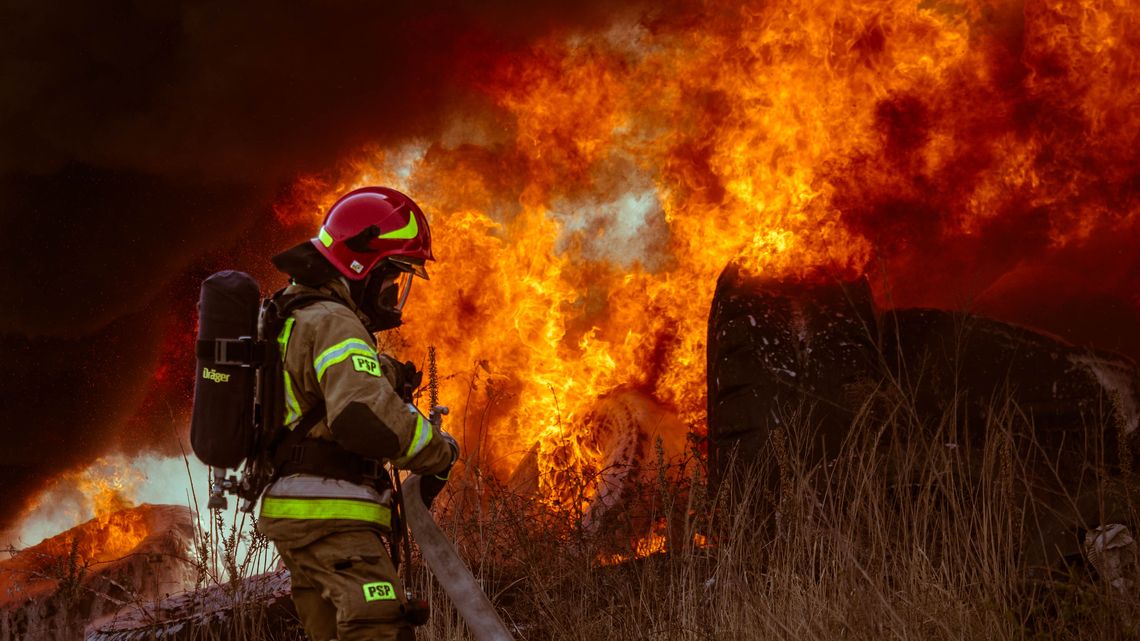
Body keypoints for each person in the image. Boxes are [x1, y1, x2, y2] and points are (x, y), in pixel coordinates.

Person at [256, 186, 458, 641]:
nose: (393, 292)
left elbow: (316, 389)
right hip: (334, 515)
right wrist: (437, 450)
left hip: (302, 513)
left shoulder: (294, 313)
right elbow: (362, 415)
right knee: (379, 629)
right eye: (392, 276)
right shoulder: (333, 320)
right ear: (364, 268)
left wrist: (383, 371)